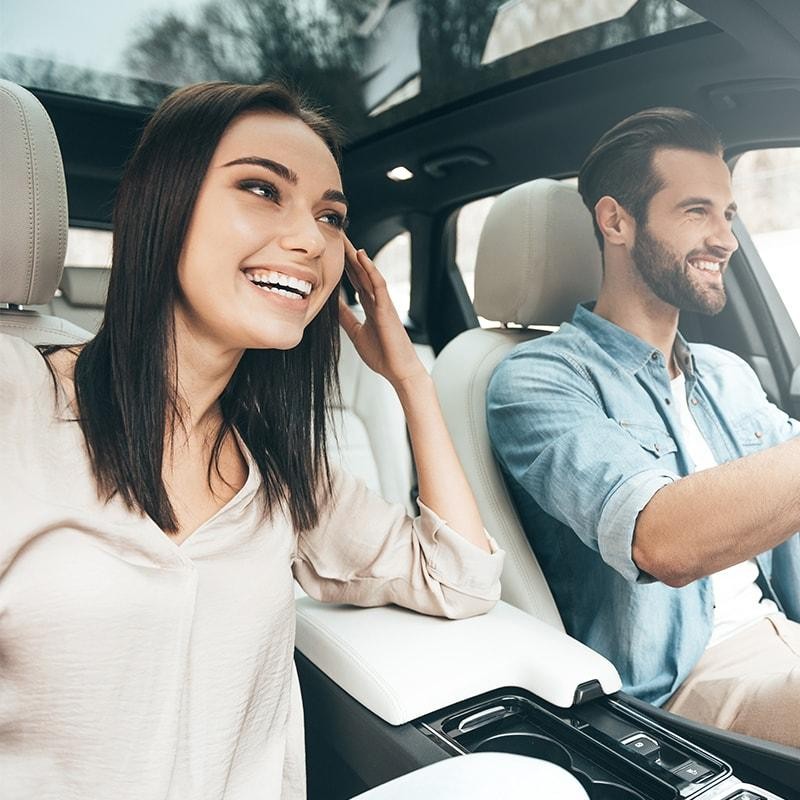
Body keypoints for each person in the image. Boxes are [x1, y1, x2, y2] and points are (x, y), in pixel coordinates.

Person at [0, 81, 503, 799]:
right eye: (262, 189)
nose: (309, 239)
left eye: (331, 216)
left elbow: (461, 576)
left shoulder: (282, 471)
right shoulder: (15, 401)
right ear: (163, 206)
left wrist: (411, 382)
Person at [487, 107, 800, 749]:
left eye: (729, 215)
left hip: (784, 639)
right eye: (696, 212)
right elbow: (662, 540)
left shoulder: (726, 372)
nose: (726, 239)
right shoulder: (538, 382)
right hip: (684, 689)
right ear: (616, 221)